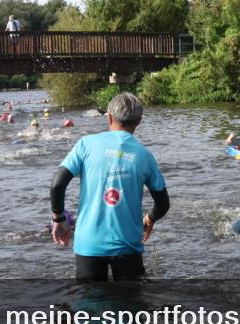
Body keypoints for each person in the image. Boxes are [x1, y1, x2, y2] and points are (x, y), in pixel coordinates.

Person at [49, 92, 170, 280]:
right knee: (131, 306)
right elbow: (163, 204)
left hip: (89, 245)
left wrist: (58, 218)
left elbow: (57, 185)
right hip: (128, 246)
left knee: (90, 305)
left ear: (110, 117)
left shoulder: (85, 144)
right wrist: (149, 219)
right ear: (138, 121)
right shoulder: (144, 156)